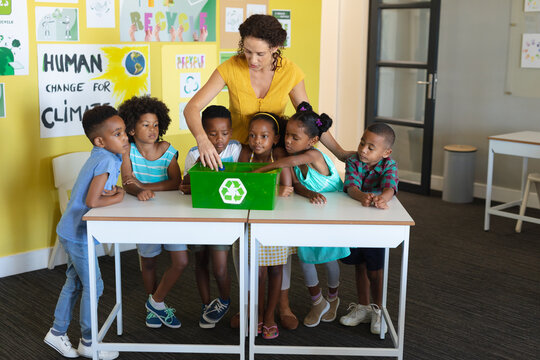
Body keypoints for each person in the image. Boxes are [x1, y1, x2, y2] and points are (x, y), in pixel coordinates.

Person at [184, 14, 352, 328]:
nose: (252, 59)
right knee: (241, 232)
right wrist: (203, 141)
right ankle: (248, 304)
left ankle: (282, 306)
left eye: (260, 53)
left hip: (275, 152)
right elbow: (192, 108)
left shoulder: (290, 72)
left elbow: (309, 118)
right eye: (247, 51)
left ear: (276, 48)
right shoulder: (230, 68)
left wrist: (341, 153)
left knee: (277, 234)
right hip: (241, 152)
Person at [254, 102, 350, 327]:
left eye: (294, 138)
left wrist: (257, 171)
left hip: (331, 218)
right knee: (307, 258)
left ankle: (333, 298)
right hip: (311, 215)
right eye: (286, 135)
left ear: (312, 141)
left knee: (329, 259)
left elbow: (288, 162)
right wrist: (308, 193)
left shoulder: (313, 155)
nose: (288, 141)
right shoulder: (296, 153)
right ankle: (317, 301)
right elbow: (297, 184)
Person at [44, 105, 128, 360]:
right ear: (100, 140)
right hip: (79, 234)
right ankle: (89, 342)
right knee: (95, 286)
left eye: (124, 131)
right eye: (118, 134)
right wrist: (119, 196)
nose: (124, 137)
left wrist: (110, 191)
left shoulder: (102, 155)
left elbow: (95, 189)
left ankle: (57, 333)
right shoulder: (105, 159)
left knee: (75, 281)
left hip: (70, 230)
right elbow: (92, 201)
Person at [118, 95, 186, 329]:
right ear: (131, 129)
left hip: (172, 215)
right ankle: (156, 307)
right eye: (145, 124)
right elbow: (127, 181)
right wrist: (137, 190)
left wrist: (143, 187)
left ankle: (154, 302)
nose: (152, 129)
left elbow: (174, 182)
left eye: (156, 124)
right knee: (148, 263)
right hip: (143, 215)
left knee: (181, 261)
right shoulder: (127, 151)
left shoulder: (168, 150)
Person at [180, 105, 241, 328]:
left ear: (231, 132)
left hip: (222, 221)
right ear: (202, 134)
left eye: (224, 133)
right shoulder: (194, 154)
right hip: (198, 218)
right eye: (212, 134)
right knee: (200, 262)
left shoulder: (235, 149)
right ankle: (207, 304)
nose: (219, 139)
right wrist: (197, 168)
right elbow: (186, 187)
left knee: (220, 267)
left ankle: (224, 300)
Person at [236, 112, 294, 339]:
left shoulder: (278, 155)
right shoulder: (245, 154)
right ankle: (258, 314)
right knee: (258, 273)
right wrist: (272, 191)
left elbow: (287, 188)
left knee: (277, 269)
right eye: (252, 135)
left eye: (263, 136)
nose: (256, 141)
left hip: (276, 225)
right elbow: (240, 183)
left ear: (275, 138)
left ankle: (270, 316)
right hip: (253, 224)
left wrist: (262, 189)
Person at [339, 123, 398, 335]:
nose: (363, 149)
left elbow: (390, 187)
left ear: (386, 152)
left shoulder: (390, 165)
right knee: (360, 264)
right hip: (355, 222)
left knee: (375, 270)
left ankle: (378, 309)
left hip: (376, 225)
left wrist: (382, 199)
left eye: (371, 147)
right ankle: (363, 307)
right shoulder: (354, 160)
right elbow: (351, 187)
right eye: (362, 143)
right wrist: (363, 196)